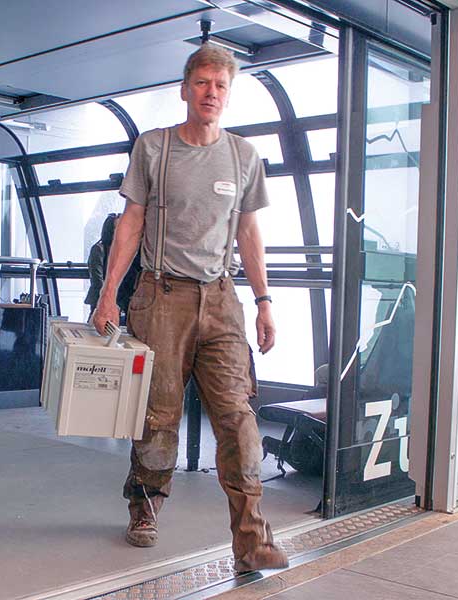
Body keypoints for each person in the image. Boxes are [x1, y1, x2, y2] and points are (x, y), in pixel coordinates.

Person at [92, 43, 288, 573]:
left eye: (221, 85)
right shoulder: (154, 148)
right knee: (158, 417)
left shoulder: (244, 157)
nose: (212, 93)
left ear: (229, 94)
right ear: (185, 89)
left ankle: (251, 539)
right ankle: (145, 503)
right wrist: (109, 292)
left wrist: (264, 301)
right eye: (202, 82)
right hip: (161, 297)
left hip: (222, 300)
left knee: (238, 417)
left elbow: (249, 231)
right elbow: (130, 222)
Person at [85, 214, 141, 322]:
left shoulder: (129, 252)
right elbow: (97, 280)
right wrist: (108, 299)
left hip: (123, 302)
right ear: (110, 230)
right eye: (118, 228)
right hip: (102, 300)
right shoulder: (99, 249)